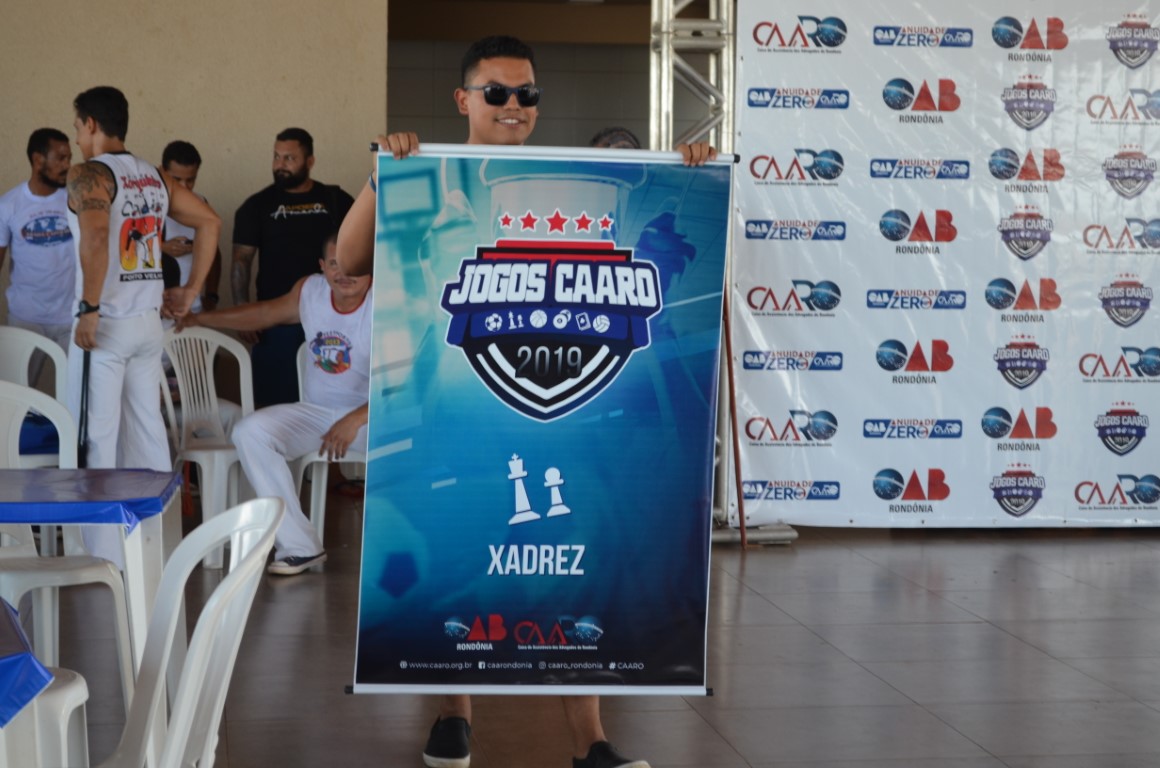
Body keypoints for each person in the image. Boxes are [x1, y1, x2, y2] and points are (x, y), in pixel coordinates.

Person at [338, 35, 717, 768]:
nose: (514, 105)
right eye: (497, 92)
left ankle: (591, 742)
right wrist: (381, 177)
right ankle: (453, 716)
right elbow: (352, 259)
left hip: (572, 419)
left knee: (582, 562)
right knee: (461, 551)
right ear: (464, 99)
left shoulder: (575, 181)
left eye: (527, 93)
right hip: (456, 404)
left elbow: (653, 252)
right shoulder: (422, 172)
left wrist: (692, 174)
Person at [65, 86, 219, 559]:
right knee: (148, 432)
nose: (77, 136)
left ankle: (101, 557)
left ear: (92, 124)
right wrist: (189, 290)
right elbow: (210, 221)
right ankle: (155, 547)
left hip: (106, 326)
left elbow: (95, 237)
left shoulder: (90, 174)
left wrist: (89, 308)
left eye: (77, 127)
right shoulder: (153, 176)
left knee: (95, 438)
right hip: (148, 327)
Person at [175, 232, 370, 575]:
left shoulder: (388, 302)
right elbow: (263, 313)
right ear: (323, 267)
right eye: (335, 264)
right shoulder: (310, 291)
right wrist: (198, 318)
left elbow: (411, 380)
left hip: (374, 417)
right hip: (317, 415)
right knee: (251, 432)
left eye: (354, 264)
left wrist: (356, 418)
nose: (344, 273)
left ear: (370, 266)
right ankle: (300, 546)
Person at [232, 128, 354, 408]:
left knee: (330, 400)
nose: (280, 165)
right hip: (276, 322)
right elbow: (241, 260)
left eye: (289, 158)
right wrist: (242, 308)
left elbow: (362, 246)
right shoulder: (256, 206)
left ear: (310, 161)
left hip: (331, 321)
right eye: (276, 157)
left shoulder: (336, 200)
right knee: (275, 404)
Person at [0, 128, 76, 385]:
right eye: (61, 158)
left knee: (75, 395)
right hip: (26, 318)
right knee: (19, 394)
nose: (67, 165)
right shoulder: (9, 205)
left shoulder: (76, 201)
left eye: (69, 158)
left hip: (71, 317)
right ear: (37, 160)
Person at [160, 140, 222, 315]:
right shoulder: (148, 203)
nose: (183, 186)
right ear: (162, 172)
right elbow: (124, 249)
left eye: (190, 180)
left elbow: (214, 253)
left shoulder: (201, 203)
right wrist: (161, 247)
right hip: (158, 309)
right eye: (176, 179)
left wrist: (211, 295)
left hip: (193, 308)